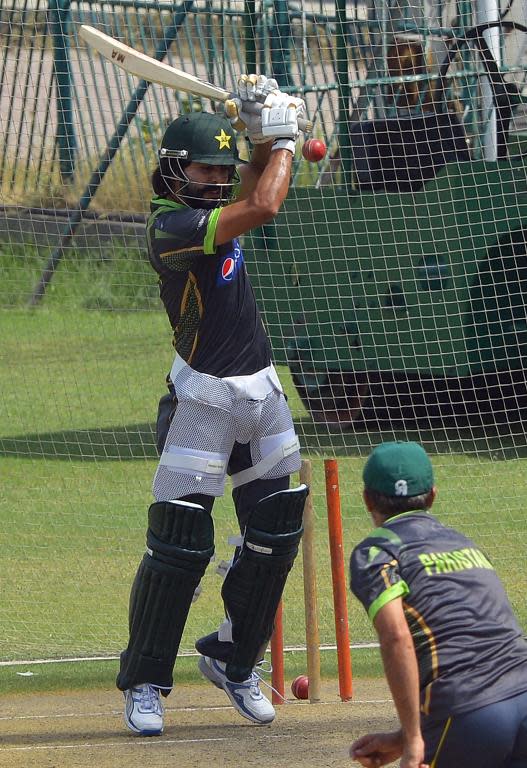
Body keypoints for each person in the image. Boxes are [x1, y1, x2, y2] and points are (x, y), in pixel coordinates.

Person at [116, 75, 309, 736]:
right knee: (178, 548)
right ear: (173, 171)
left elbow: (254, 182)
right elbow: (264, 205)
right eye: (203, 167)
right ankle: (144, 682)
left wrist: (260, 123)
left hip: (262, 393)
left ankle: (234, 660)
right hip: (201, 399)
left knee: (277, 536)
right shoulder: (170, 226)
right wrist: (283, 135)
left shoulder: (219, 198)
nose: (213, 178)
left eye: (221, 170)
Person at [349, 441, 527, 768]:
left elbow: (396, 638)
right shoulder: (463, 543)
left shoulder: (377, 553)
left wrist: (414, 739)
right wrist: (403, 738)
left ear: (367, 499)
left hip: (467, 708)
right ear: (432, 495)